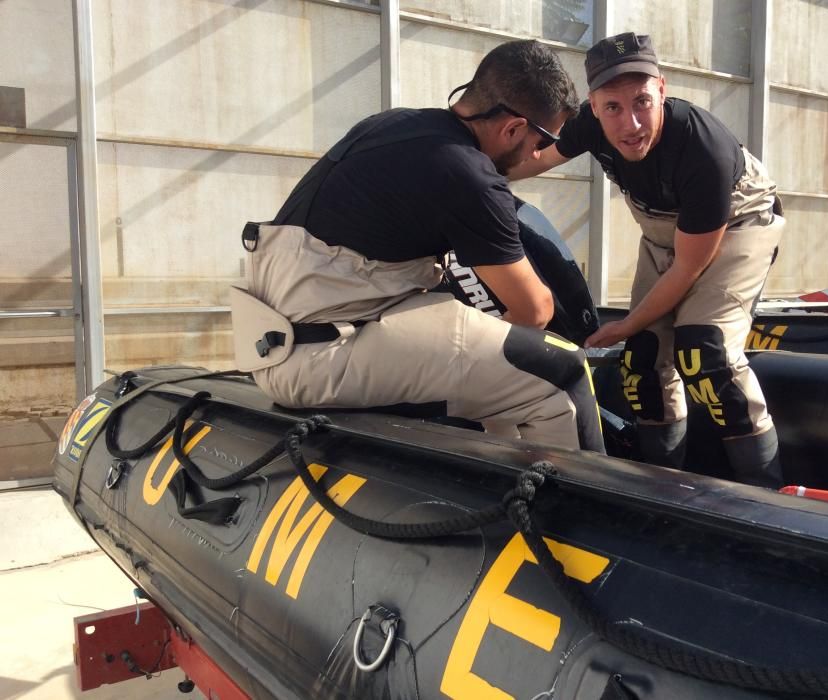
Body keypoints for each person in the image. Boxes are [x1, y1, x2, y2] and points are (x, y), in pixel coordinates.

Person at [230, 40, 605, 454]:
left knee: (496, 358)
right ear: (513, 128)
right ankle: (579, 514)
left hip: (286, 335)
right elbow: (535, 311)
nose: (539, 154)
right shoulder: (471, 177)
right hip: (317, 357)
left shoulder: (395, 126)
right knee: (559, 372)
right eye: (542, 141)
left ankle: (500, 479)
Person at [510, 33, 784, 486]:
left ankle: (766, 492)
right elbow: (532, 163)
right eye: (613, 107)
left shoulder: (703, 150)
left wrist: (625, 323)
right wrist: (469, 172)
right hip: (664, 236)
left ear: (662, 88)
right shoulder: (589, 126)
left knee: (703, 352)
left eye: (642, 101)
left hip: (738, 225)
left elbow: (688, 267)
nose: (631, 124)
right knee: (642, 360)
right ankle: (659, 485)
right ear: (593, 107)